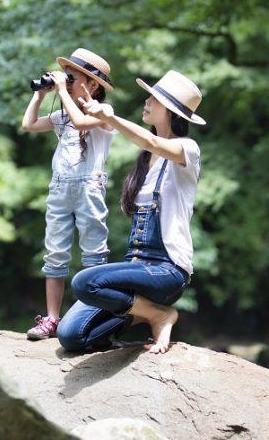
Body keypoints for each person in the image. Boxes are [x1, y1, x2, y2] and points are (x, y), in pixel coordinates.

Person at [57, 70, 206, 353]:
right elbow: (148, 145)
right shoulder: (144, 158)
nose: (147, 102)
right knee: (71, 335)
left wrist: (108, 117)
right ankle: (141, 312)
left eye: (154, 99)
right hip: (136, 267)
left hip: (166, 269)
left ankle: (159, 314)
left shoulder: (188, 149)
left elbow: (152, 142)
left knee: (84, 282)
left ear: (172, 111)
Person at [21, 48, 116, 340]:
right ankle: (51, 318)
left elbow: (83, 122)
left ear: (94, 85)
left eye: (75, 77)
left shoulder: (104, 112)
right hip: (60, 187)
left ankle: (92, 314)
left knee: (93, 252)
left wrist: (62, 90)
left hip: (89, 187)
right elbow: (29, 124)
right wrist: (40, 95)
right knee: (55, 253)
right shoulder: (63, 114)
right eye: (69, 77)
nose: (69, 81)